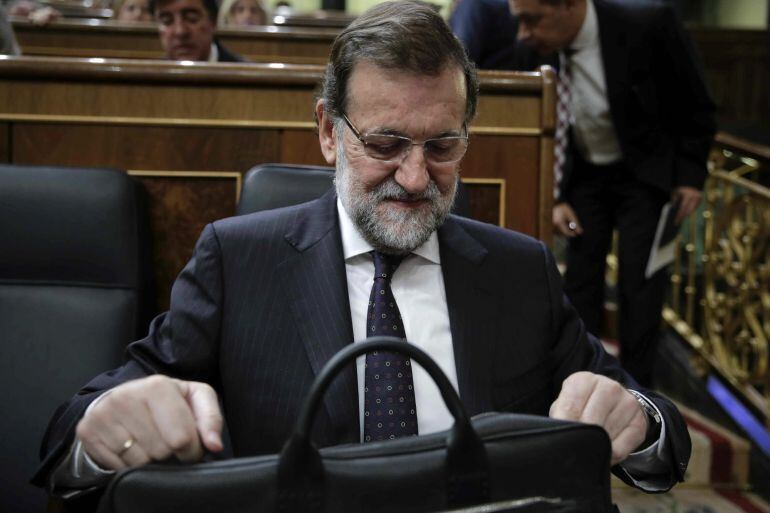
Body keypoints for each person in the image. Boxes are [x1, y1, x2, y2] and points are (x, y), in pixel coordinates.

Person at [34, 0, 690, 501]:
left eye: (442, 146)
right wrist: (102, 432)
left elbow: (655, 426)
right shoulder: (238, 262)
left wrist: (642, 422)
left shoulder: (520, 271)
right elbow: (75, 429)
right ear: (328, 132)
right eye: (384, 144)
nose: (414, 176)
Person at [506, 0, 716, 386]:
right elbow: (539, 129)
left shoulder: (648, 22)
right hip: (584, 176)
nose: (522, 33)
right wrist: (553, 197)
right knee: (581, 281)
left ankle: (639, 395)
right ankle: (582, 383)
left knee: (641, 287)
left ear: (568, 6)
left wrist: (689, 176)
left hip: (644, 173)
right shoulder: (535, 47)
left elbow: (695, 103)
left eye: (530, 19)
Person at [149, 0, 245, 62]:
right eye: (167, 21)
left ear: (213, 21)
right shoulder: (147, 80)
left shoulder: (249, 77)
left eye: (191, 18)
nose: (180, 31)